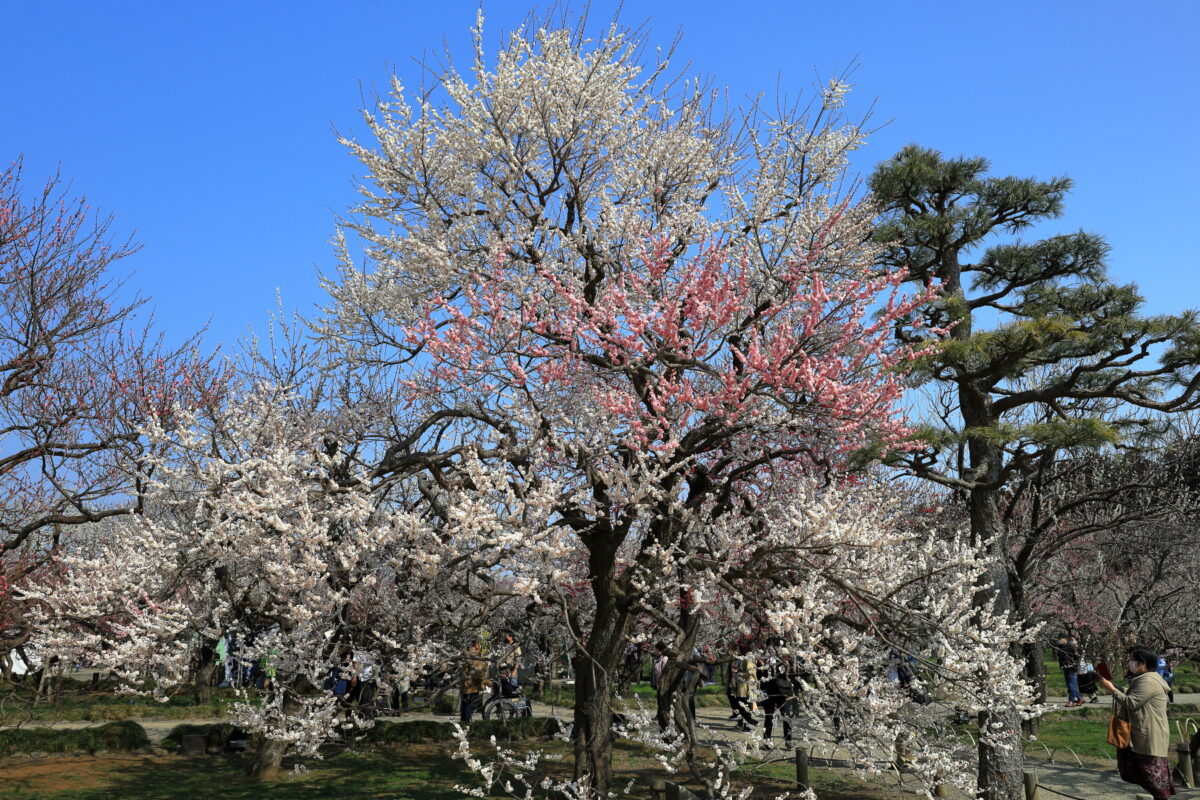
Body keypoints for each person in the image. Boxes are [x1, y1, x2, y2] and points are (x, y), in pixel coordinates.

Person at [1097, 644, 1175, 800]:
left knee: (1152, 776)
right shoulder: (1144, 679)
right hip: (1144, 733)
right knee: (1140, 771)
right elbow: (1133, 693)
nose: (1129, 663)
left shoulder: (1148, 681)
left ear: (1142, 663)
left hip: (1150, 735)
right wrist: (1114, 686)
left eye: (1132, 661)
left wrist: (1111, 690)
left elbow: (1131, 702)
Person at [459, 640, 489, 724]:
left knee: (466, 705)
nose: (480, 645)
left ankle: (463, 723)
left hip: (468, 684)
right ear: (474, 645)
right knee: (470, 705)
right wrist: (487, 682)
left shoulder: (469, 654)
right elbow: (478, 671)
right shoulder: (473, 655)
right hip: (472, 685)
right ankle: (466, 723)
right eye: (478, 643)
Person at [727, 647, 756, 732]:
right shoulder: (745, 656)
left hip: (746, 686)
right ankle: (746, 724)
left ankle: (748, 726)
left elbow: (750, 672)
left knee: (744, 706)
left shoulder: (749, 657)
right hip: (743, 685)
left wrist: (738, 672)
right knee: (743, 706)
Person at [1052, 634, 1083, 707]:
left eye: (1060, 638)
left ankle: (1071, 701)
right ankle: (1080, 698)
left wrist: (1073, 664)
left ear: (1065, 639)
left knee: (1071, 685)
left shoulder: (1071, 647)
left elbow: (1077, 657)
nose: (1059, 640)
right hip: (1065, 668)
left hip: (1071, 668)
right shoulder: (1061, 647)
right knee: (1070, 686)